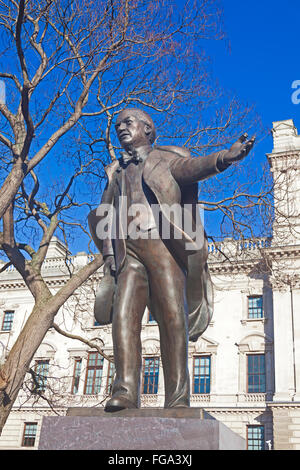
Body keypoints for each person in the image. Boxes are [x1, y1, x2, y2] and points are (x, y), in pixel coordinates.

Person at [88, 108, 255, 411]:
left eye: (128, 122)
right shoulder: (116, 171)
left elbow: (194, 166)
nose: (121, 128)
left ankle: (177, 398)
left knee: (172, 319)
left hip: (163, 245)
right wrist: (110, 253)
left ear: (148, 130)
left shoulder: (165, 160)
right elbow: (105, 214)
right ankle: (125, 391)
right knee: (123, 318)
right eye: (117, 125)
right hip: (128, 253)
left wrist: (225, 158)